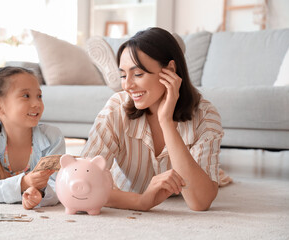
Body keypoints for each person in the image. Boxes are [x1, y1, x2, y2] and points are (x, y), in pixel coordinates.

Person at [81, 27, 227, 212]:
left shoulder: (205, 115)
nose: (127, 86)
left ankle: (215, 175)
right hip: (127, 191)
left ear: (170, 71)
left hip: (180, 192)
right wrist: (141, 202)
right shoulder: (116, 108)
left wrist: (166, 122)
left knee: (209, 178)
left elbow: (199, 202)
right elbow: (83, 183)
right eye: (123, 75)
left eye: (138, 74)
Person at [0, 66, 65, 210]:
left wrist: (38, 193)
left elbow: (58, 185)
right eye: (26, 96)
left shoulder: (53, 136)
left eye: (39, 96)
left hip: (2, 162)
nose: (37, 104)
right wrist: (24, 183)